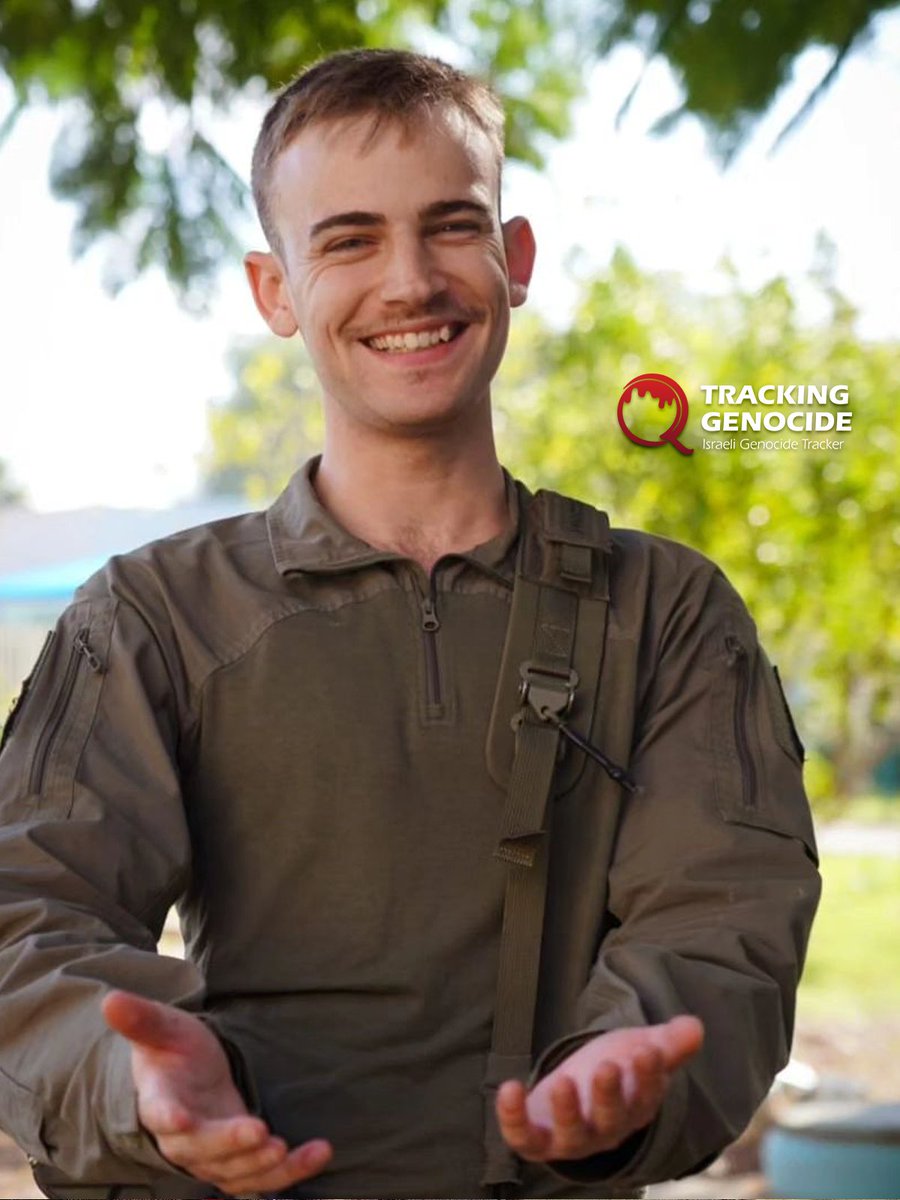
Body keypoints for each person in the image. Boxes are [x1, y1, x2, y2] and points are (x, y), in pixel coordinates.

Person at [0, 48, 820, 1200]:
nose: (409, 282)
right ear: (274, 291)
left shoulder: (671, 612)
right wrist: (125, 1077)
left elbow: (727, 918)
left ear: (513, 257)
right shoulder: (150, 615)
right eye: (346, 239)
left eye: (451, 226)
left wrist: (634, 1062)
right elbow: (27, 913)